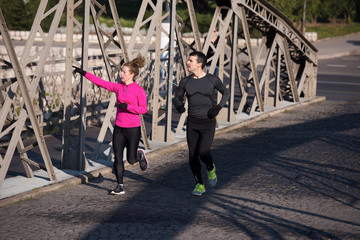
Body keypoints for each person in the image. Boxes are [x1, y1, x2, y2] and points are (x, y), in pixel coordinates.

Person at [73, 55, 148, 195]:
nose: (121, 74)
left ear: (132, 74)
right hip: (119, 127)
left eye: (124, 72)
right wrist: (84, 73)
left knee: (131, 160)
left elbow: (144, 109)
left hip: (133, 128)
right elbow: (100, 82)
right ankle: (120, 185)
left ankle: (139, 155)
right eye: (121, 71)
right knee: (118, 157)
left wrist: (129, 107)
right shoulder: (118, 87)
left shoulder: (139, 91)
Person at [173, 51, 230, 196]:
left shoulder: (212, 80)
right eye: (188, 60)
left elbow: (226, 93)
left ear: (199, 64)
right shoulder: (185, 81)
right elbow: (177, 97)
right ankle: (199, 184)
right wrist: (179, 106)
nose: (187, 62)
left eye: (190, 60)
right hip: (192, 123)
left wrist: (218, 108)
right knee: (192, 156)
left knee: (203, 152)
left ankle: (211, 167)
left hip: (208, 123)